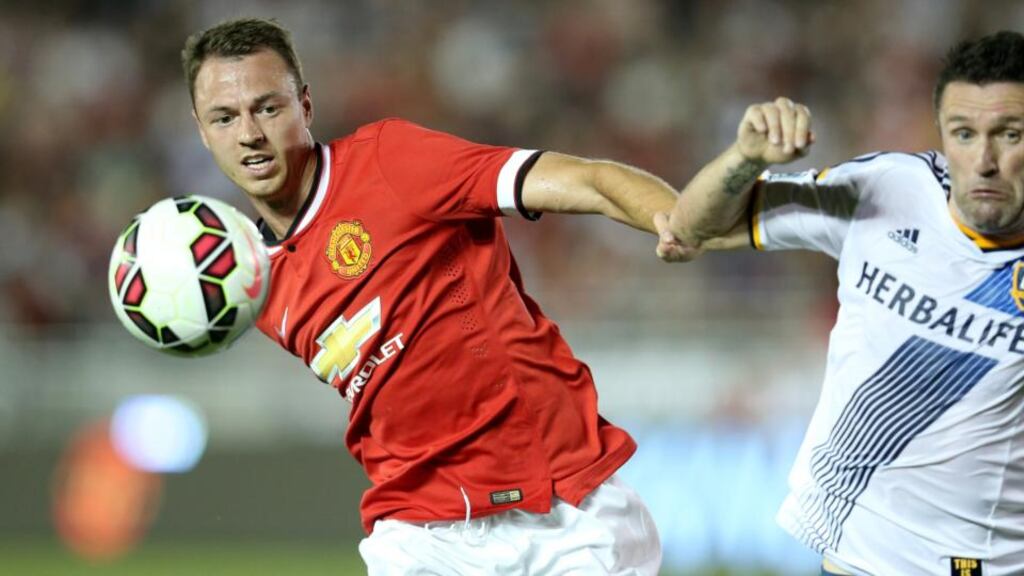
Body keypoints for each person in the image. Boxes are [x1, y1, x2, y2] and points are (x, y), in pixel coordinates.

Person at [181, 17, 673, 575]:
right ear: (202, 131)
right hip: (421, 534)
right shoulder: (252, 282)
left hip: (563, 511)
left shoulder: (390, 161)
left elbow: (583, 179)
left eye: (268, 108)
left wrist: (673, 217)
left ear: (305, 106)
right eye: (225, 117)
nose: (249, 133)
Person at [655, 30, 1024, 576]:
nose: (985, 161)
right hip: (852, 560)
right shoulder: (887, 189)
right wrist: (745, 158)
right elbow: (691, 228)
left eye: (1010, 134)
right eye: (964, 134)